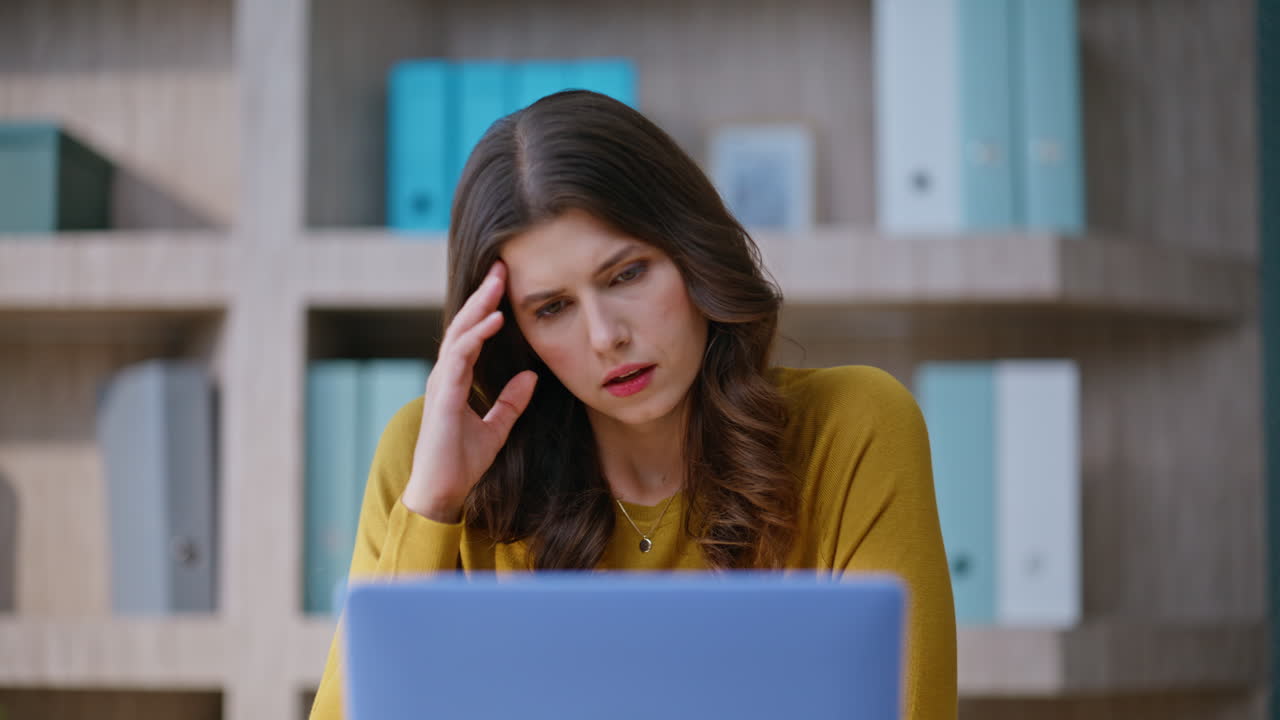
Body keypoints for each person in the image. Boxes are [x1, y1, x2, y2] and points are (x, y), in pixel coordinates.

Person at [308, 90, 957, 719]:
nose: (605, 337)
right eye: (553, 308)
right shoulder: (432, 454)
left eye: (627, 274)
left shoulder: (854, 426)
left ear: (693, 253)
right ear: (513, 330)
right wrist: (432, 506)